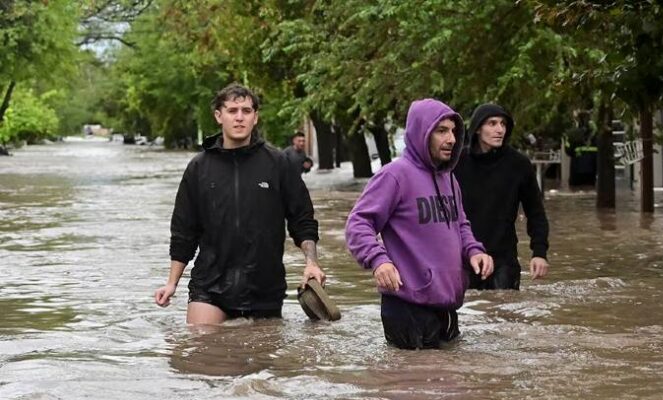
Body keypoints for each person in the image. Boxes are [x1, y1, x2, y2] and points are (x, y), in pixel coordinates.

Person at [154, 83, 325, 325]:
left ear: (255, 117)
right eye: (232, 110)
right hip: (210, 286)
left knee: (263, 359)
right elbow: (184, 231)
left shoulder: (279, 164)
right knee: (200, 351)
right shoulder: (199, 168)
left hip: (265, 287)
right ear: (218, 116)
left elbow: (303, 220)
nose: (239, 117)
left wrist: (312, 263)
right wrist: (172, 283)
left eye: (246, 111)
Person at [345, 98, 493, 350]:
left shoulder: (449, 178)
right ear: (421, 134)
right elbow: (358, 224)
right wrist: (378, 260)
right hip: (406, 307)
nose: (451, 139)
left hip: (445, 306)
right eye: (441, 131)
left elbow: (460, 224)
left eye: (454, 131)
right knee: (411, 385)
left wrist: (474, 250)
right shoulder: (394, 176)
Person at [454, 103, 550, 290]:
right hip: (464, 258)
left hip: (504, 260)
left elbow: (536, 213)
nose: (500, 130)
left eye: (503, 124)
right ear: (477, 129)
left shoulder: (519, 165)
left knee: (504, 313)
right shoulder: (457, 164)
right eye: (492, 123)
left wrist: (539, 252)